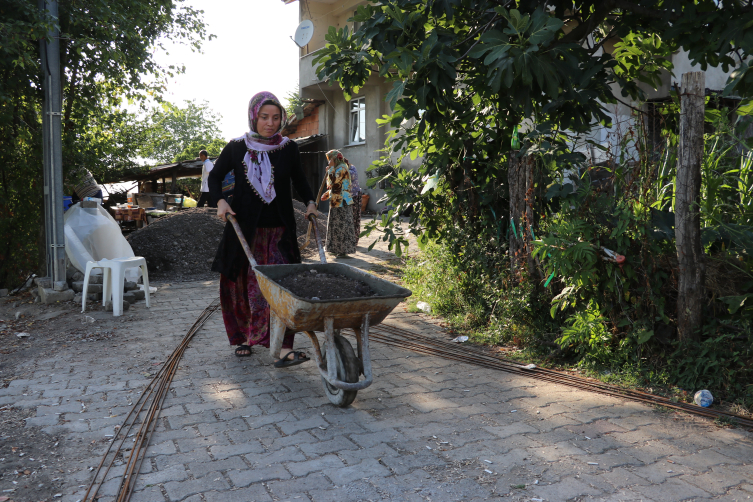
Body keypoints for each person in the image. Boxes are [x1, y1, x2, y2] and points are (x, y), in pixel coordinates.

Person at [208, 91, 318, 366]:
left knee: (283, 287)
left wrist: (311, 202)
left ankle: (282, 347)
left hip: (280, 231)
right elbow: (215, 177)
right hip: (245, 231)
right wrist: (220, 201)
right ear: (253, 117)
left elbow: (300, 180)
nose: (270, 122)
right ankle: (245, 337)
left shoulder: (288, 148)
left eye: (276, 117)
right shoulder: (236, 147)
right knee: (244, 286)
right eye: (264, 117)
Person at [321, 150, 356, 257]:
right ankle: (335, 249)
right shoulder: (338, 168)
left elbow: (335, 183)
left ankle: (342, 251)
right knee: (335, 225)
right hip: (336, 200)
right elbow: (336, 186)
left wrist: (330, 169)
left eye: (330, 159)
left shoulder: (341, 168)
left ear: (335, 158)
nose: (329, 162)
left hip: (342, 201)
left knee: (341, 225)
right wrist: (327, 194)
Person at [348, 163, 362, 245]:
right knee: (351, 218)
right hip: (349, 196)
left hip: (354, 196)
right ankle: (352, 240)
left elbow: (351, 176)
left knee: (354, 218)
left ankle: (354, 240)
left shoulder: (351, 169)